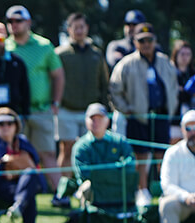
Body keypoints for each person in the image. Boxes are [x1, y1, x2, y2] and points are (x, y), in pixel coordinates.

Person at [110, 23, 178, 207]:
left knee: (162, 155)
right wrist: (126, 109)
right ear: (135, 42)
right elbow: (115, 90)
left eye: (149, 40)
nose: (146, 44)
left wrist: (171, 107)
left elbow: (173, 86)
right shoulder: (127, 63)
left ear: (155, 41)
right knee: (141, 155)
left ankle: (164, 189)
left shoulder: (164, 61)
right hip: (138, 117)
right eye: (142, 41)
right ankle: (142, 190)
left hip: (161, 115)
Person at [5, 5, 65, 192]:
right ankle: (17, 195)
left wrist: (56, 102)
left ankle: (61, 194)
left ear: (28, 22)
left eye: (18, 20)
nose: (14, 24)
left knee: (47, 154)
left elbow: (58, 75)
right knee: (15, 154)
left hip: (41, 109)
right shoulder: (4, 47)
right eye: (10, 21)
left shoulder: (44, 46)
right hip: (14, 113)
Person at [55, 12, 109, 201]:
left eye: (82, 27)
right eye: (75, 27)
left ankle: (90, 190)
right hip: (67, 108)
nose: (79, 30)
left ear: (87, 29)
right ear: (69, 29)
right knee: (67, 149)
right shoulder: (61, 54)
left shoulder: (96, 54)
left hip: (92, 111)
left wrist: (104, 107)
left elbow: (104, 82)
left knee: (92, 150)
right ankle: (63, 191)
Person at [70, 103, 136, 223]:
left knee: (127, 186)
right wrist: (115, 170)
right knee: (87, 186)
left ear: (107, 121)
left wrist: (103, 173)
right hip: (94, 190)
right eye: (92, 119)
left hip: (117, 189)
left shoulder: (119, 141)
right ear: (86, 121)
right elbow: (85, 173)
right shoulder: (81, 146)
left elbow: (130, 165)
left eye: (100, 118)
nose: (96, 122)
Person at [159, 109, 195, 223]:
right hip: (182, 203)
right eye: (189, 128)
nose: (193, 132)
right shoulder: (173, 153)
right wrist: (186, 197)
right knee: (167, 205)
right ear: (182, 130)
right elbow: (167, 185)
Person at [170, 40, 195, 145]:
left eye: (188, 54)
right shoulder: (170, 72)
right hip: (174, 118)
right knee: (174, 144)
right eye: (182, 54)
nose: (185, 57)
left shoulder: (192, 73)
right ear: (176, 55)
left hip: (191, 117)